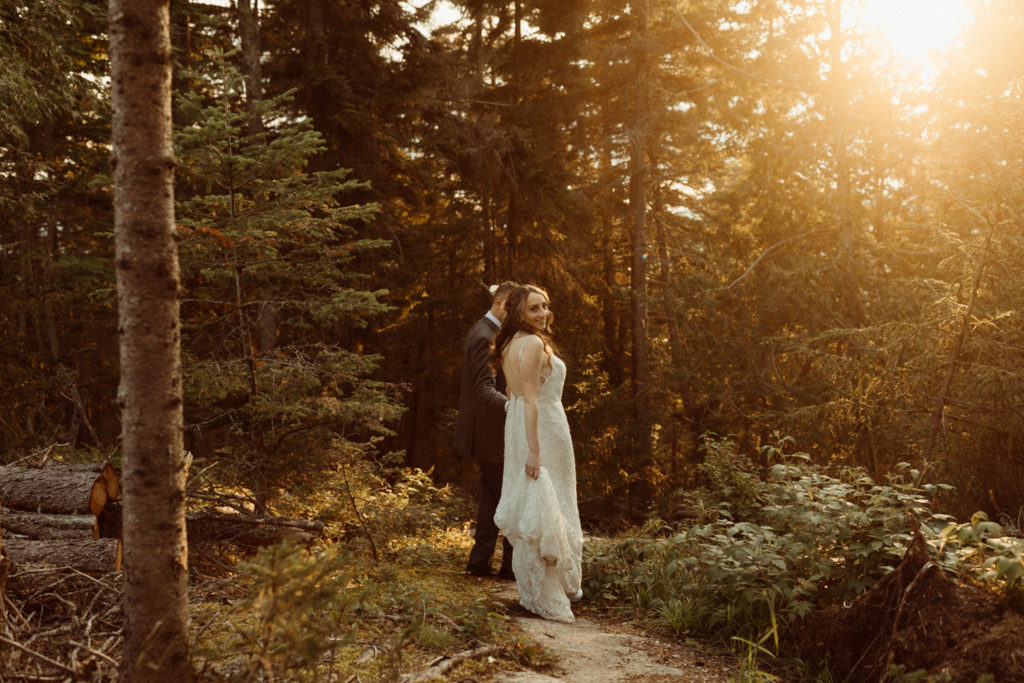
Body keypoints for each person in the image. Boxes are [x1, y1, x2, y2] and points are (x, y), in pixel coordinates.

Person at [492, 284, 583, 622]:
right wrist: (533, 451)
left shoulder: (509, 343)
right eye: (534, 309)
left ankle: (543, 586)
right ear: (519, 313)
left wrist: (519, 433)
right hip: (542, 428)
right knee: (549, 501)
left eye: (545, 306)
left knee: (539, 503)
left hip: (523, 424)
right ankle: (546, 591)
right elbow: (530, 397)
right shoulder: (531, 343)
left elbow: (511, 392)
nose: (543, 313)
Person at [455, 281, 519, 580]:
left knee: (494, 493)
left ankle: (482, 564)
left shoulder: (489, 332)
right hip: (490, 430)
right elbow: (483, 388)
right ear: (499, 304)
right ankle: (503, 566)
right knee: (504, 493)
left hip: (492, 430)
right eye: (514, 309)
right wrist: (512, 408)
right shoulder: (484, 335)